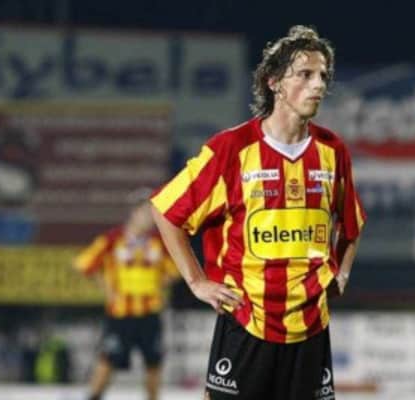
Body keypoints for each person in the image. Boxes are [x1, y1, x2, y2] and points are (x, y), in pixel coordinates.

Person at [150, 25, 366, 400]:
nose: (318, 85)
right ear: (274, 82)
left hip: (311, 328)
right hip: (246, 322)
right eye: (305, 75)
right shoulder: (231, 149)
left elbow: (351, 223)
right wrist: (196, 281)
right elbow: (167, 212)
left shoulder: (333, 151)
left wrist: (342, 272)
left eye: (323, 76)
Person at [74, 196, 179, 400]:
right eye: (146, 213)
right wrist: (107, 289)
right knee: (108, 359)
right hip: (120, 313)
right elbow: (84, 263)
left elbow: (177, 269)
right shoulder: (112, 239)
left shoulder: (159, 242)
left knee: (154, 362)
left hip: (150, 312)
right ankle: (93, 396)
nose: (149, 218)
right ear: (134, 213)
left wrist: (160, 284)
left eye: (152, 214)